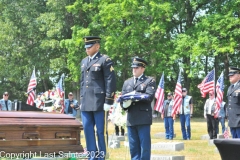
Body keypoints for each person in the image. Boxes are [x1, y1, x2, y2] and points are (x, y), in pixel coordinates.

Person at [80, 36, 116, 159]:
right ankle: (92, 156)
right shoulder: (84, 61)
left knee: (100, 131)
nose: (87, 49)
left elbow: (110, 80)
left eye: (89, 47)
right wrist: (81, 99)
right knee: (87, 130)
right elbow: (82, 82)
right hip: (86, 102)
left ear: (97, 46)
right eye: (86, 47)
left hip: (99, 102)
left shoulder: (104, 60)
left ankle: (101, 156)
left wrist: (108, 100)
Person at [120, 57, 156, 160]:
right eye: (133, 67)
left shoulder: (149, 81)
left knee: (144, 147)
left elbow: (149, 96)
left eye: (137, 67)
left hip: (143, 118)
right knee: (133, 147)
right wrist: (125, 104)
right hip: (131, 118)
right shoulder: (127, 82)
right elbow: (122, 100)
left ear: (143, 69)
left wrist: (133, 97)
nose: (134, 69)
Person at [226, 67, 240, 138]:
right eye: (229, 76)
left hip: (239, 119)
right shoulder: (230, 87)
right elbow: (229, 103)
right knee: (234, 142)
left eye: (232, 75)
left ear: (238, 76)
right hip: (232, 118)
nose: (230, 77)